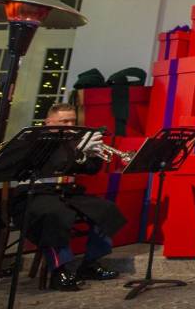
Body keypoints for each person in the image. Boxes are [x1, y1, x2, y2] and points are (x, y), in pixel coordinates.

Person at [14, 103, 126, 291]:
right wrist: (78, 153)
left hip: (67, 192)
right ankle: (60, 270)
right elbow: (53, 165)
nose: (69, 125)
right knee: (54, 215)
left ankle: (90, 263)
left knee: (106, 209)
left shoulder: (74, 140)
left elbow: (90, 170)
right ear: (48, 122)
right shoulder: (35, 141)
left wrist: (92, 155)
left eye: (72, 121)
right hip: (37, 192)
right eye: (64, 121)